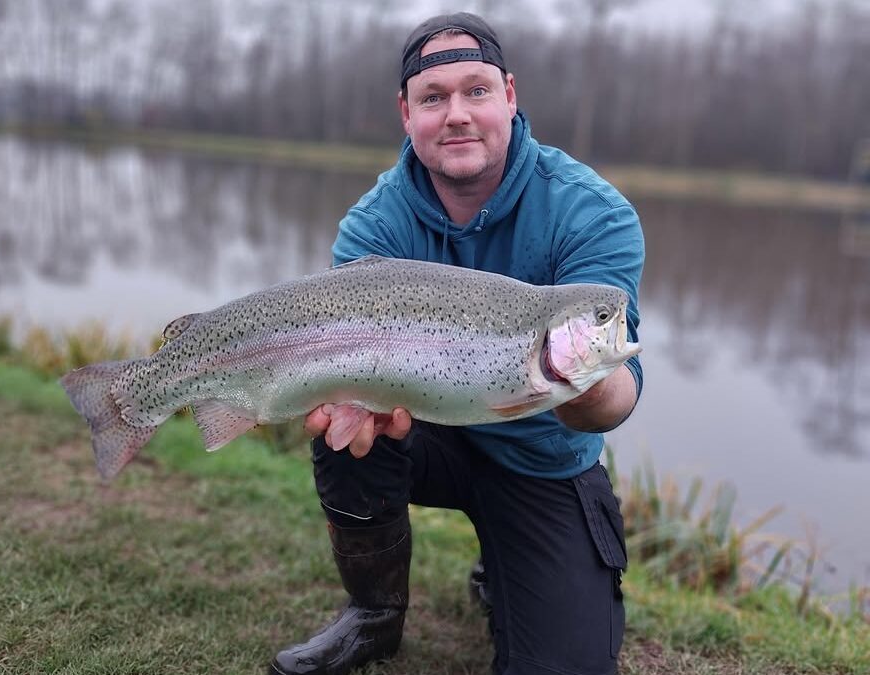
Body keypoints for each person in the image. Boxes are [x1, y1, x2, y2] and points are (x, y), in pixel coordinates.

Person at [269, 12, 644, 675]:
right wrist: (341, 395)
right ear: (405, 113)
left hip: (544, 459)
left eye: (476, 91)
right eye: (433, 98)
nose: (457, 115)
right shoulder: (373, 226)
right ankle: (374, 615)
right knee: (346, 432)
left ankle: (504, 565)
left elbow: (616, 399)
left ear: (509, 95)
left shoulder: (595, 213)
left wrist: (588, 383)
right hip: (427, 432)